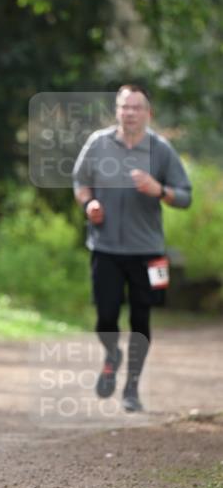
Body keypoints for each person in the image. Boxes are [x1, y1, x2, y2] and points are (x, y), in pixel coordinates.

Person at [72, 84, 192, 412]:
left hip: (147, 251)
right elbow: (80, 181)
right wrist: (89, 204)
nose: (130, 113)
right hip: (105, 248)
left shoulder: (161, 150)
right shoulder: (98, 143)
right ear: (117, 111)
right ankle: (112, 355)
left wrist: (159, 190)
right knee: (105, 317)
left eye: (137, 107)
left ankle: (132, 387)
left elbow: (185, 196)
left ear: (148, 113)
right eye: (124, 107)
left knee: (141, 319)